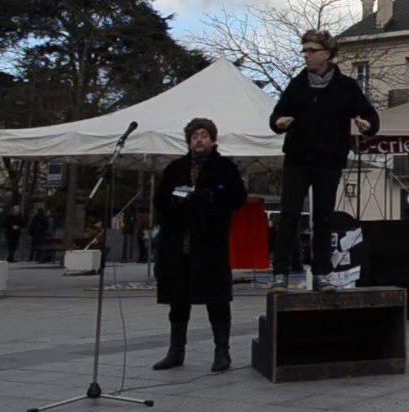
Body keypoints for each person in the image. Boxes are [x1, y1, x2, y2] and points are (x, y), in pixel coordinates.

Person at [269, 29, 379, 293]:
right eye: (304, 50)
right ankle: (281, 273)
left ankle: (322, 273)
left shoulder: (346, 87)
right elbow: (277, 114)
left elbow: (370, 116)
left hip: (329, 159)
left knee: (323, 217)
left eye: (311, 50)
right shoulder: (298, 85)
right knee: (290, 214)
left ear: (327, 55)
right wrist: (278, 123)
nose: (306, 55)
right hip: (298, 157)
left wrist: (367, 125)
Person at [151, 118, 248, 372]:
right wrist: (175, 201)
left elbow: (238, 197)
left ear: (213, 139)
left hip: (209, 243)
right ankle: (176, 351)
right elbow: (159, 201)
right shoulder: (175, 168)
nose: (200, 140)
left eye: (204, 135)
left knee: (216, 299)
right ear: (189, 141)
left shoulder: (225, 167)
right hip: (178, 242)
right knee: (178, 299)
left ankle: (222, 352)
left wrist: (212, 199)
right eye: (195, 136)